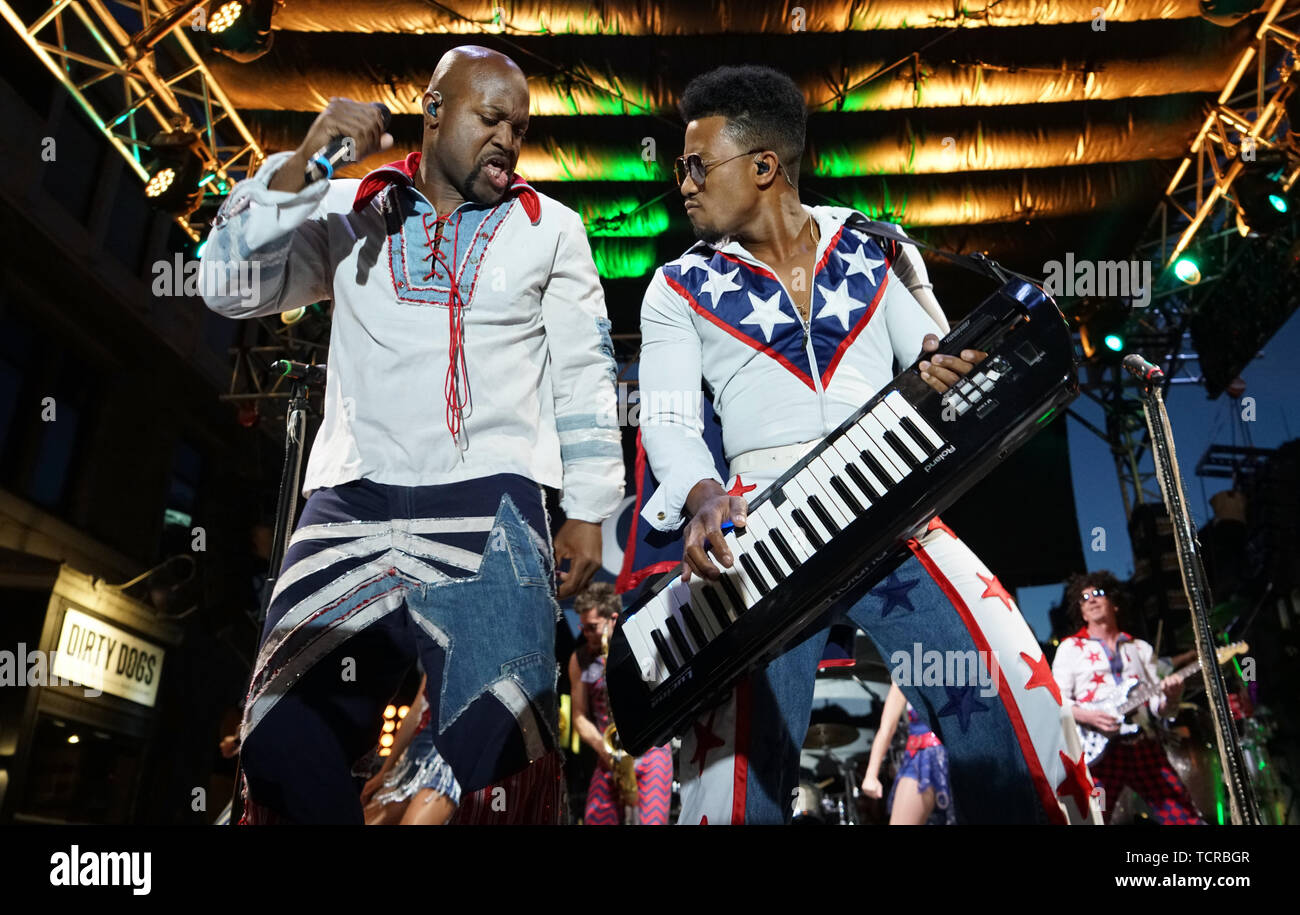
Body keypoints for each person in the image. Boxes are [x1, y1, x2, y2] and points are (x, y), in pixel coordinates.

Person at [636, 64, 1094, 824]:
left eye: (694, 164)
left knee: (1011, 699)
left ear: (763, 166)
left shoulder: (878, 245)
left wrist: (947, 371)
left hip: (891, 499)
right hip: (760, 526)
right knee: (731, 782)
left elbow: (931, 354)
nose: (680, 183)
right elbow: (674, 419)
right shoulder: (675, 287)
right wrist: (701, 492)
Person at [200, 45, 624, 823]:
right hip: (350, 504)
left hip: (489, 502)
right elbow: (225, 286)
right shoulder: (350, 206)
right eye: (490, 117)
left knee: (504, 750)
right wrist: (304, 161)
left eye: (519, 126)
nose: (508, 137)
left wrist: (591, 509)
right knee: (277, 733)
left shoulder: (551, 228)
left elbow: (586, 374)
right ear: (433, 110)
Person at [1052, 571, 1204, 824]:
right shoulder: (1070, 648)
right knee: (1087, 820)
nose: (1090, 600)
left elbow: (1160, 709)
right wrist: (1089, 715)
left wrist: (1172, 697)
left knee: (1183, 817)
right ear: (1081, 611)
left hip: (1141, 745)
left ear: (1115, 603)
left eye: (1097, 594)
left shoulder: (1141, 649)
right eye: (1083, 598)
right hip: (1096, 752)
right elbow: (1056, 700)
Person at [568, 583, 673, 824]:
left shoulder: (641, 640)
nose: (586, 633)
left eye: (592, 627)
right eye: (583, 626)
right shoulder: (580, 658)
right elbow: (579, 717)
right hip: (608, 758)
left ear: (613, 619)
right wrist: (609, 755)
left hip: (652, 754)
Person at [861, 682, 955, 825]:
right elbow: (887, 728)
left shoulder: (968, 664)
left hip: (964, 759)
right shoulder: (906, 669)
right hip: (922, 759)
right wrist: (871, 774)